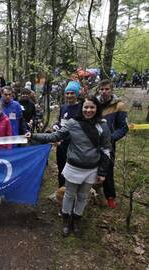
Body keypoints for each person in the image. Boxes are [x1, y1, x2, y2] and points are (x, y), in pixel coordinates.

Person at [26, 95, 112, 237]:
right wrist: (33, 136)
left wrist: (102, 172)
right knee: (69, 195)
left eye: (92, 107)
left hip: (91, 169)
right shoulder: (72, 123)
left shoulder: (102, 125)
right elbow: (54, 136)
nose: (88, 110)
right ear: (81, 108)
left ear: (97, 108)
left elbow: (106, 149)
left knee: (83, 196)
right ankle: (66, 221)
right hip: (73, 167)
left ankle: (76, 221)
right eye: (86, 107)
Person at [97, 79, 129, 209]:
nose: (104, 92)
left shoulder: (119, 105)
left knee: (108, 170)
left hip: (109, 143)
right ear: (99, 90)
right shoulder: (94, 102)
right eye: (102, 89)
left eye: (107, 89)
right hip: (92, 142)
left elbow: (123, 127)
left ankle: (110, 197)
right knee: (90, 166)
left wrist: (111, 138)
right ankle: (92, 192)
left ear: (111, 90)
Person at [54, 81, 82, 188]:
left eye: (72, 93)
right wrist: (56, 126)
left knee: (71, 168)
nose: (69, 95)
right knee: (61, 167)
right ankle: (61, 189)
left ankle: (71, 191)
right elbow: (60, 121)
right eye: (67, 93)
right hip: (61, 143)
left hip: (74, 144)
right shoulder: (63, 107)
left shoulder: (81, 108)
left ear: (76, 94)